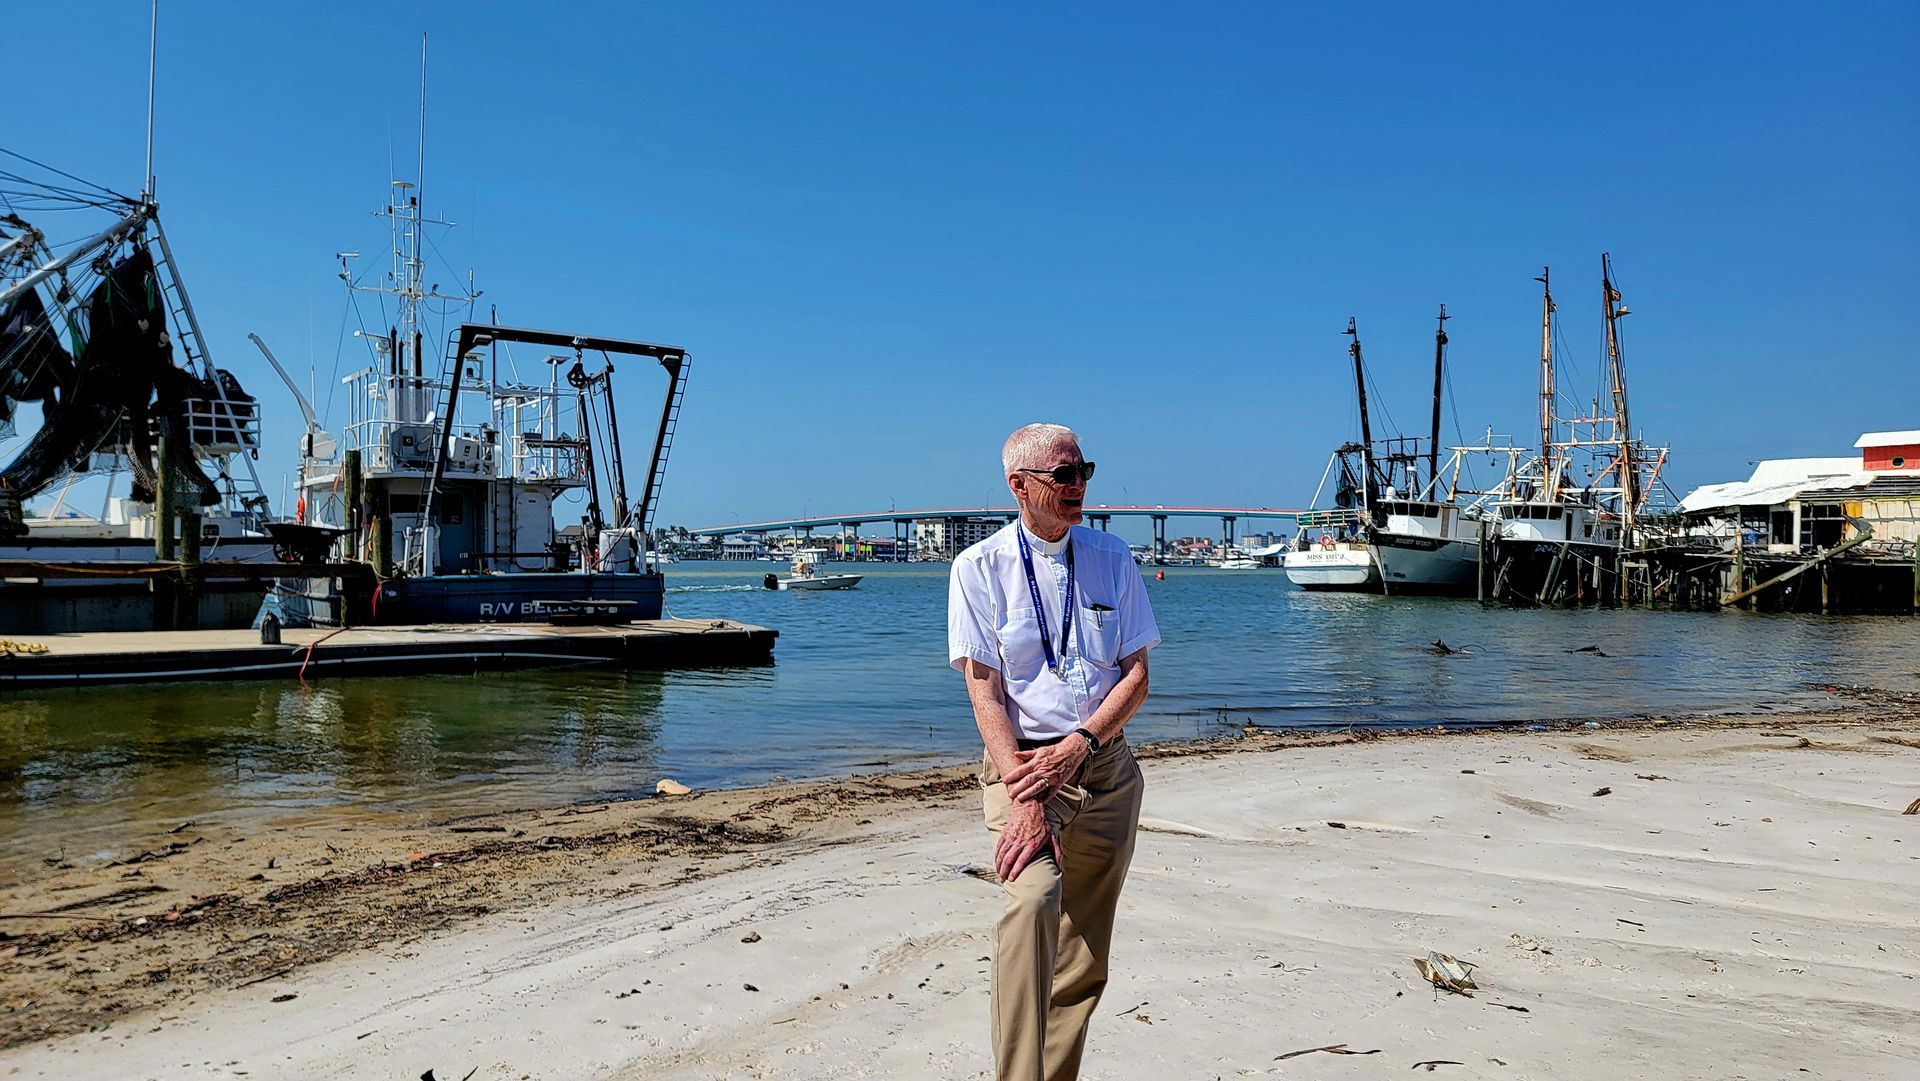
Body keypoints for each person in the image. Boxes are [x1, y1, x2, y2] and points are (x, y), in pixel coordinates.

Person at [947, 422, 1160, 1081]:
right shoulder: (977, 568)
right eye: (1063, 475)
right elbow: (985, 694)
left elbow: (1136, 675)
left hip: (1105, 765)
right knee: (1033, 903)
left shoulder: (1111, 555)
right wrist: (1026, 792)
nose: (1080, 486)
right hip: (1025, 767)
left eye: (1083, 470)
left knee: (1085, 953)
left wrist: (1086, 740)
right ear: (1020, 485)